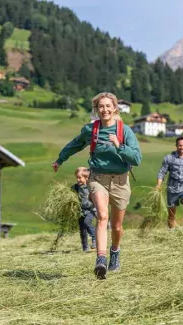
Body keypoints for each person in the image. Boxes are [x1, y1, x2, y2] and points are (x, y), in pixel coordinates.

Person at [52, 92, 142, 279]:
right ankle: (100, 259)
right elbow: (75, 144)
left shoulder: (124, 130)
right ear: (97, 109)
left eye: (108, 106)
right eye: (101, 106)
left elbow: (137, 158)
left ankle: (114, 251)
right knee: (102, 216)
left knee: (116, 226)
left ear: (114, 108)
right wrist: (60, 159)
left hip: (120, 181)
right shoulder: (91, 130)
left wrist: (119, 146)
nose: (105, 109)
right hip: (97, 178)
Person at [72, 167, 96, 252]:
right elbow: (70, 194)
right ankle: (85, 246)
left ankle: (94, 237)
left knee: (87, 222)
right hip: (80, 211)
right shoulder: (75, 187)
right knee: (82, 229)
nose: (78, 180)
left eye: (80, 178)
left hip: (91, 209)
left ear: (86, 178)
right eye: (77, 178)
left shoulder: (90, 186)